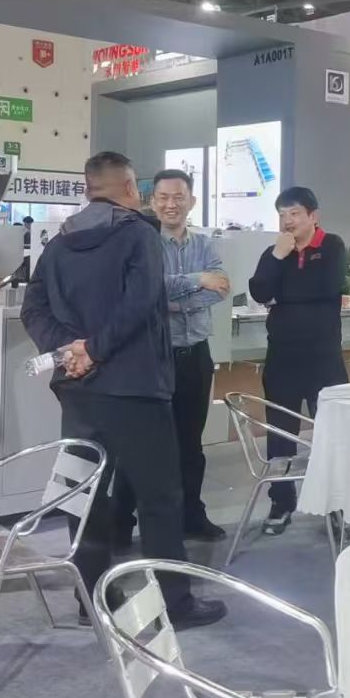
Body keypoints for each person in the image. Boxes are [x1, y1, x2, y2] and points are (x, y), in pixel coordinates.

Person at [22, 151, 225, 628]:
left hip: (78, 391)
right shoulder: (139, 235)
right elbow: (142, 303)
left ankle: (91, 601)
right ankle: (173, 602)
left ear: (87, 189)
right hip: (136, 388)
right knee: (159, 497)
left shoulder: (59, 242)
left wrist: (70, 350)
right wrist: (95, 349)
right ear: (132, 189)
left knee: (85, 494)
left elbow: (34, 308)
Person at [112, 169, 229, 546]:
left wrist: (173, 302)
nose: (170, 204)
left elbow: (220, 289)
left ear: (192, 201)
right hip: (154, 356)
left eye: (178, 197)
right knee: (142, 444)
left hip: (196, 355)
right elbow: (145, 292)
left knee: (191, 444)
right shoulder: (143, 243)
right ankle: (121, 523)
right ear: (152, 202)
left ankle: (191, 516)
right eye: (163, 197)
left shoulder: (205, 244)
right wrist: (196, 281)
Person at [248, 186, 348, 535]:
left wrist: (284, 295)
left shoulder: (331, 246)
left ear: (312, 216)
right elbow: (259, 291)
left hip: (324, 359)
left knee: (333, 433)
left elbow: (326, 287)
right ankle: (281, 502)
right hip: (282, 359)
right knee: (280, 436)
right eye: (282, 215)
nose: (287, 221)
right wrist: (278, 257)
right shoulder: (274, 252)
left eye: (294, 214)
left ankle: (338, 503)